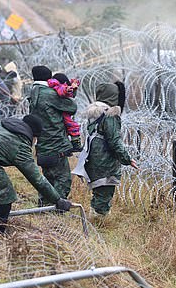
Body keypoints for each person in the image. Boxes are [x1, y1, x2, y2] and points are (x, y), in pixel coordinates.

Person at [80, 82, 137, 217]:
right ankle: (99, 222)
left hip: (93, 157)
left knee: (99, 192)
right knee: (104, 194)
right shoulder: (110, 114)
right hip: (105, 161)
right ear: (113, 97)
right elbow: (114, 141)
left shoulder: (94, 114)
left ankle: (94, 217)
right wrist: (127, 159)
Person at [28, 65, 77, 205]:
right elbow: (72, 107)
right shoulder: (50, 94)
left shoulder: (32, 92)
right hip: (57, 145)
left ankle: (43, 207)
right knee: (63, 180)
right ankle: (57, 210)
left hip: (42, 145)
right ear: (49, 78)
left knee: (47, 179)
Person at [48, 73, 82, 152]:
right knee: (72, 126)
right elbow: (61, 91)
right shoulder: (58, 86)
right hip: (63, 111)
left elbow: (71, 94)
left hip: (63, 109)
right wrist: (67, 89)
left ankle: (74, 143)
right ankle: (76, 144)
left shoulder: (55, 85)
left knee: (70, 127)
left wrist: (74, 87)